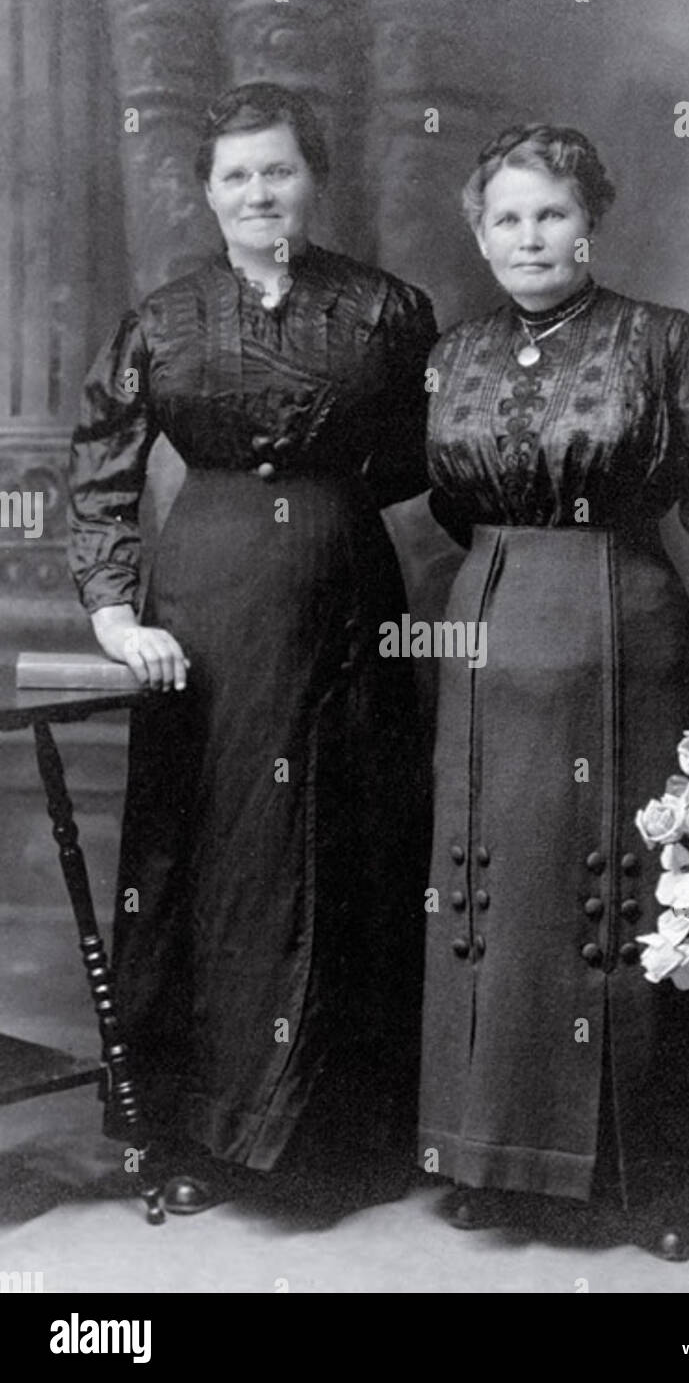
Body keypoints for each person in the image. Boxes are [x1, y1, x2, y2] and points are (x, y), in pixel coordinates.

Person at [67, 82, 437, 1214]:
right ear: (208, 193)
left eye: (278, 169)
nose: (259, 191)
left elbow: (423, 450)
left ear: (312, 179)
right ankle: (198, 1133)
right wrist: (117, 615)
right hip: (206, 608)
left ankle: (340, 1136)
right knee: (209, 854)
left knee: (345, 838)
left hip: (340, 600)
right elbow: (101, 470)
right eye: (236, 175)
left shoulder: (385, 311)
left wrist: (324, 514)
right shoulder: (162, 319)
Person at [418, 123, 689, 1259]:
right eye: (507, 217)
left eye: (551, 213)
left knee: (622, 896)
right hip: (490, 631)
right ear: (480, 234)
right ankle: (494, 1161)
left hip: (624, 629)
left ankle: (639, 1177)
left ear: (592, 223)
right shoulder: (455, 354)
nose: (530, 236)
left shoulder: (672, 345)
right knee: (497, 897)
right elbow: (457, 509)